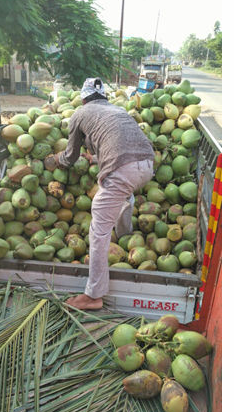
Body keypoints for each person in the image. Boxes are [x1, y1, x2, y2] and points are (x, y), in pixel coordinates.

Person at [45, 77, 155, 310]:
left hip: (123, 169)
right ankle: (126, 233)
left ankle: (93, 295)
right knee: (125, 194)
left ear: (84, 98)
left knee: (98, 231)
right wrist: (94, 158)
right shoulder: (117, 110)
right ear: (103, 96)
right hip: (146, 165)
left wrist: (55, 161)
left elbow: (70, 156)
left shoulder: (79, 114)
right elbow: (122, 145)